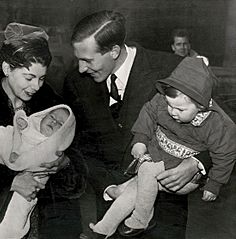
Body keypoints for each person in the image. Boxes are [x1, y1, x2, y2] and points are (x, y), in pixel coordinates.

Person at [63, 10, 205, 239]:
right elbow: (77, 146)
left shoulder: (173, 69)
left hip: (165, 216)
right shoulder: (75, 83)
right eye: (78, 59)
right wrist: (108, 187)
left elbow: (223, 124)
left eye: (88, 60)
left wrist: (196, 164)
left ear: (114, 51)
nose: (81, 68)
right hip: (109, 210)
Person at [0, 22, 86, 239]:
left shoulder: (53, 107)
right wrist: (10, 181)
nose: (37, 86)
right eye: (29, 77)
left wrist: (64, 163)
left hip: (51, 224)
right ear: (8, 68)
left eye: (42, 78)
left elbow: (79, 167)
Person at [89, 57, 236, 237]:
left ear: (201, 106)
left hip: (181, 178)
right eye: (170, 105)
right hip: (159, 160)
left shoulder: (215, 124)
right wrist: (141, 139)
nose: (173, 112)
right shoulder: (162, 102)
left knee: (146, 171)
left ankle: (142, 219)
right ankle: (103, 228)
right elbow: (148, 113)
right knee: (136, 189)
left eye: (180, 110)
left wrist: (214, 184)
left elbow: (225, 155)